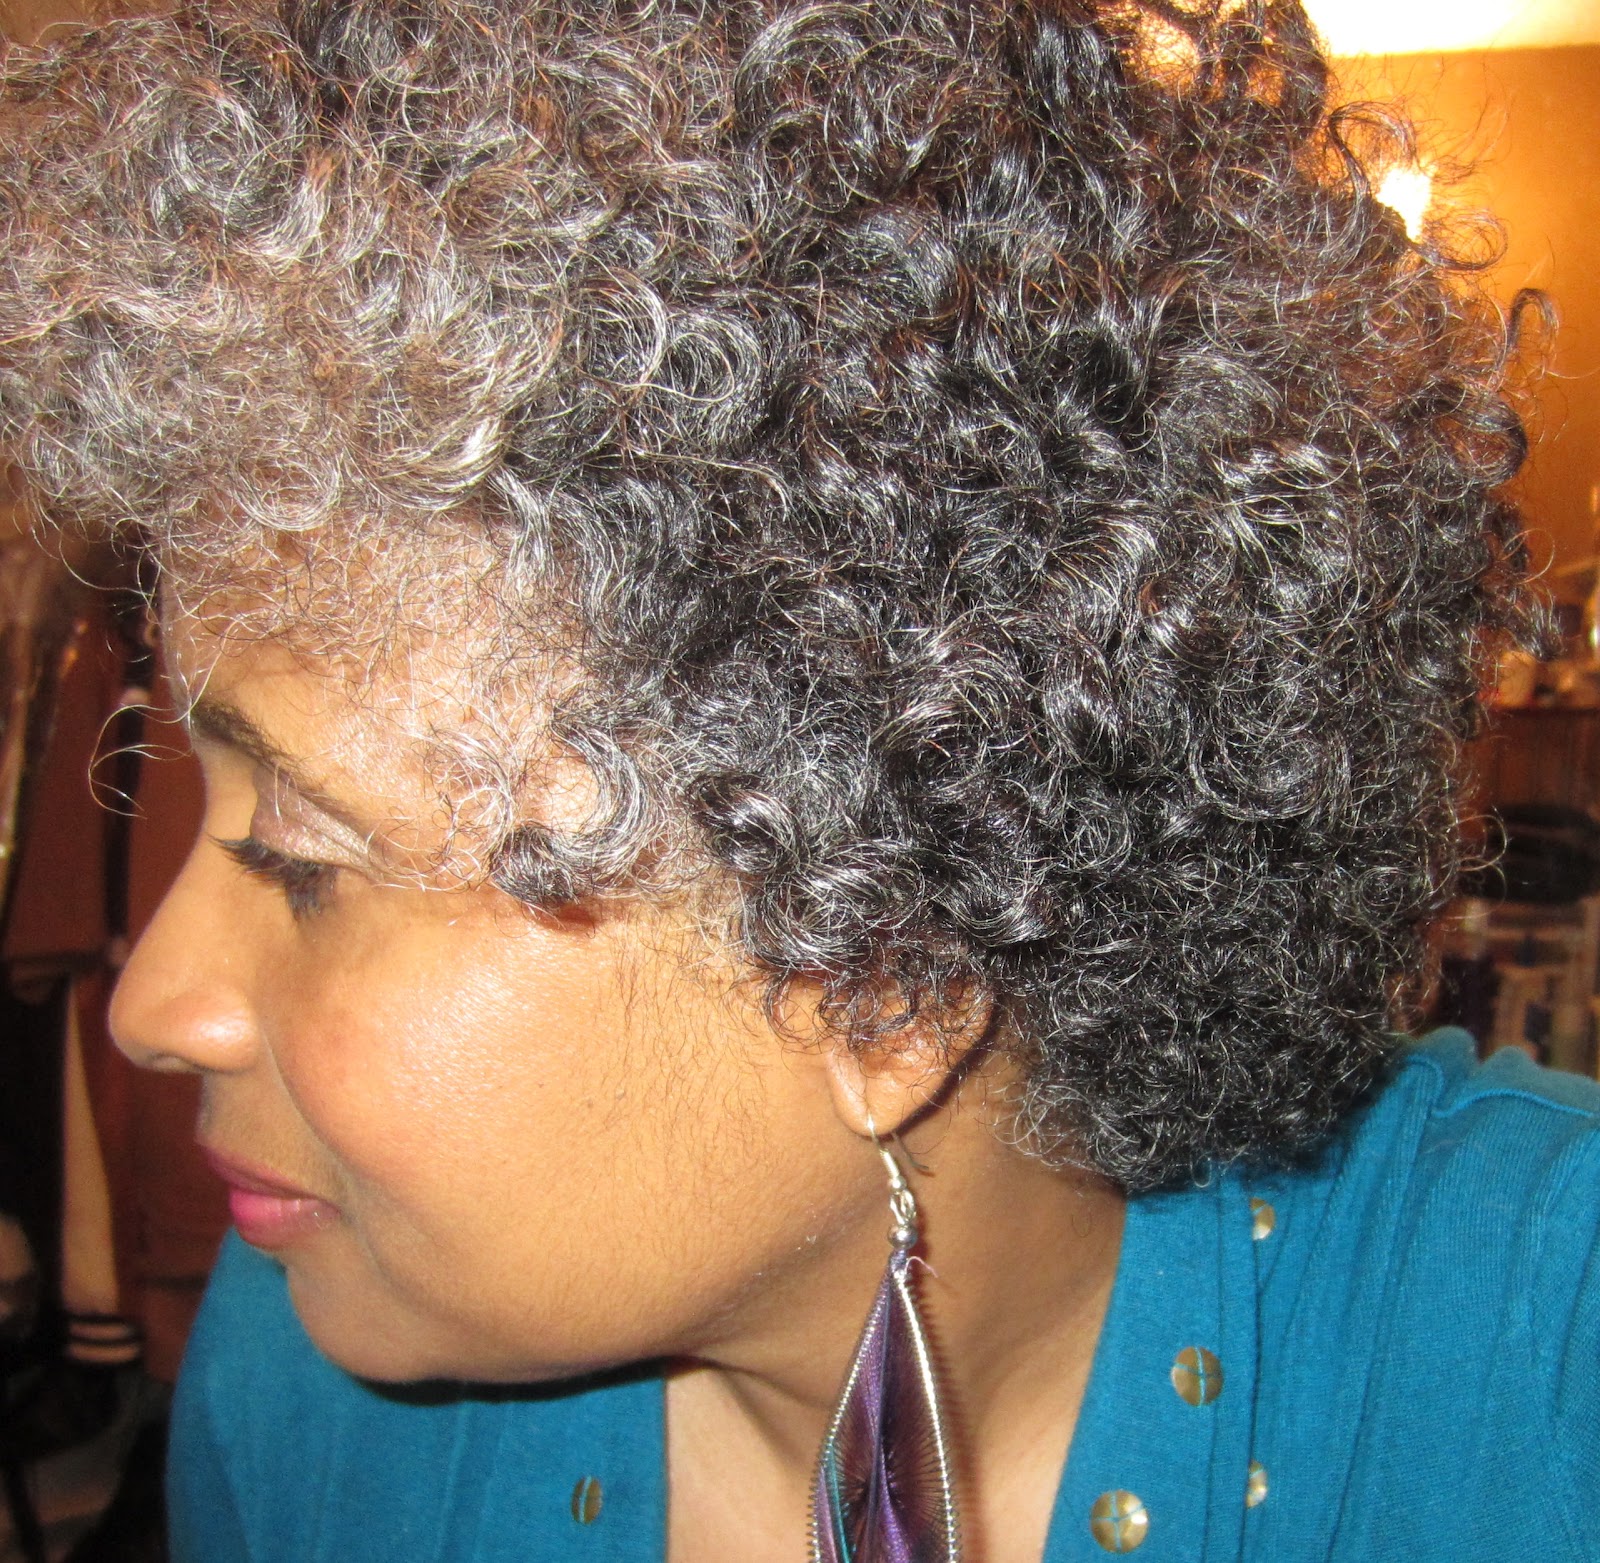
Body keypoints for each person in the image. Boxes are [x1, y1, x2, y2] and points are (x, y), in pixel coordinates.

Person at [0, 1, 1592, 1559]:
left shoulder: (1546, 1371)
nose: (154, 1005)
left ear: (886, 983)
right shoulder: (309, 1378)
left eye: (304, 859)